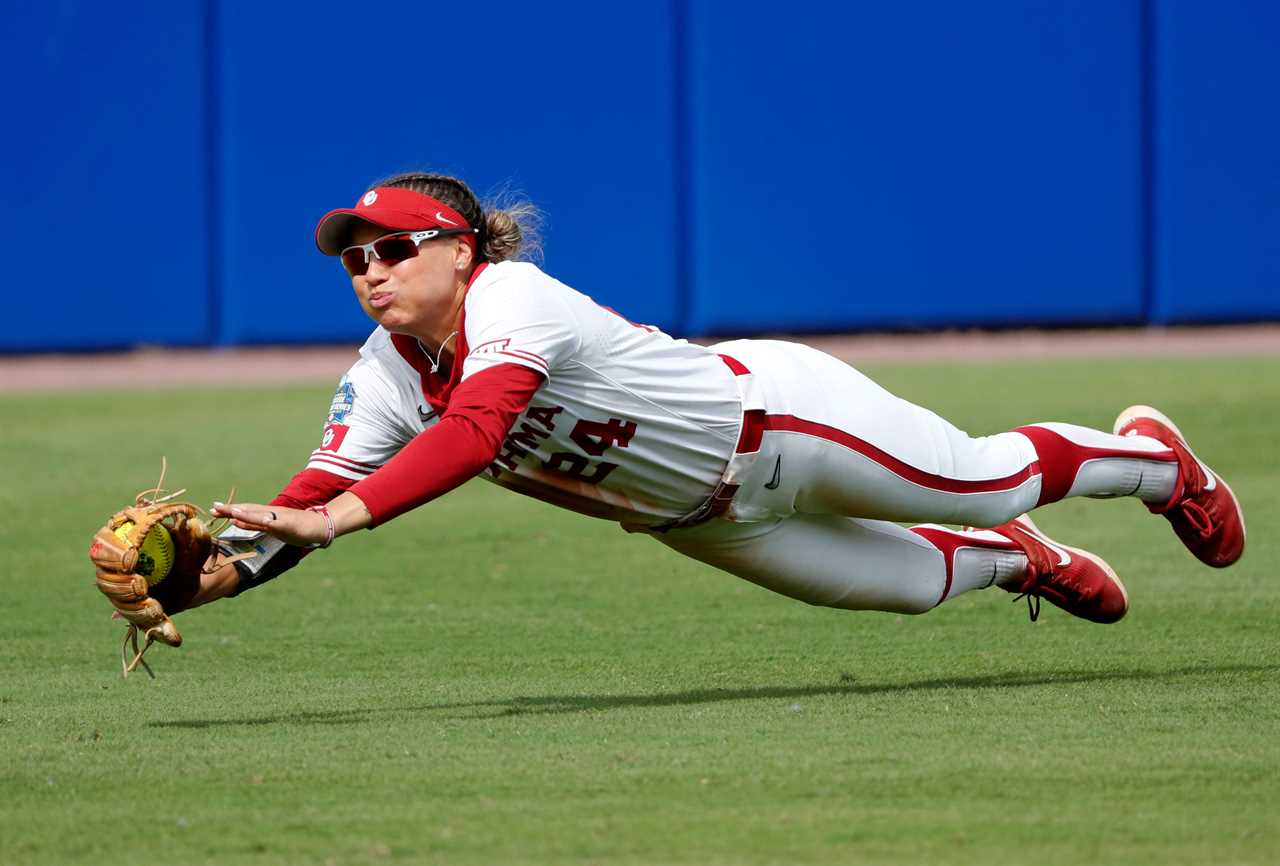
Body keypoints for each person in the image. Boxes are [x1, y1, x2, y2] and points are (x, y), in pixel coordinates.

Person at [195, 171, 1245, 625]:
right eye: (352, 261)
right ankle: (1028, 558)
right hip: (696, 517)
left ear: (458, 251)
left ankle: (1157, 461)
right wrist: (218, 576)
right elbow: (312, 488)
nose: (369, 272)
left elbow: (474, 431)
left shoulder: (512, 295)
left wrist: (336, 517)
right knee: (907, 591)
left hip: (781, 417)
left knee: (984, 475)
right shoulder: (381, 374)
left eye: (390, 249)